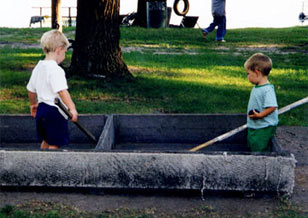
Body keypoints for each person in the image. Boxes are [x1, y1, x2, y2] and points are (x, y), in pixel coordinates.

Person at [27, 29, 78, 150]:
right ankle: (51, 166)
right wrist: (72, 109)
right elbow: (62, 91)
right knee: (54, 143)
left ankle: (41, 164)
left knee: (46, 140)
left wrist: (33, 104)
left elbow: (30, 89)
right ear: (59, 50)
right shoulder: (56, 70)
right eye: (65, 52)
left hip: (42, 111)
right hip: (54, 112)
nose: (64, 56)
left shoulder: (38, 67)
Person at [244, 53, 278, 152]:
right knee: (253, 143)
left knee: (260, 147)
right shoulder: (258, 87)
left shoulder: (267, 89)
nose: (248, 76)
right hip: (256, 124)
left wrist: (260, 115)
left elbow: (272, 106)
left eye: (248, 73)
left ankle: (261, 162)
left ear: (257, 72)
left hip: (263, 126)